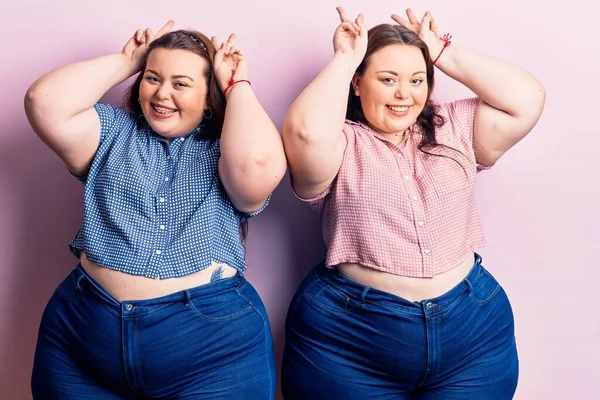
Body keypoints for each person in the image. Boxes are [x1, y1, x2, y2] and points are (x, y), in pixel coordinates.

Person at [281, 6, 545, 400]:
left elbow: (528, 99)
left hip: (472, 336)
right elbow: (303, 134)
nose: (404, 94)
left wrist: (443, 53)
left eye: (417, 80)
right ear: (358, 83)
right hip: (349, 340)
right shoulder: (340, 141)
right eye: (387, 79)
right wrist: (345, 58)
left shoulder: (454, 127)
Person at [26, 20, 286, 399]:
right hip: (81, 341)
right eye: (152, 78)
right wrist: (125, 60)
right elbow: (43, 103)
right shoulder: (112, 131)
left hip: (212, 355)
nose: (162, 93)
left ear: (208, 95)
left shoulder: (226, 149)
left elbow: (258, 168)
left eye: (181, 83)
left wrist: (235, 86)